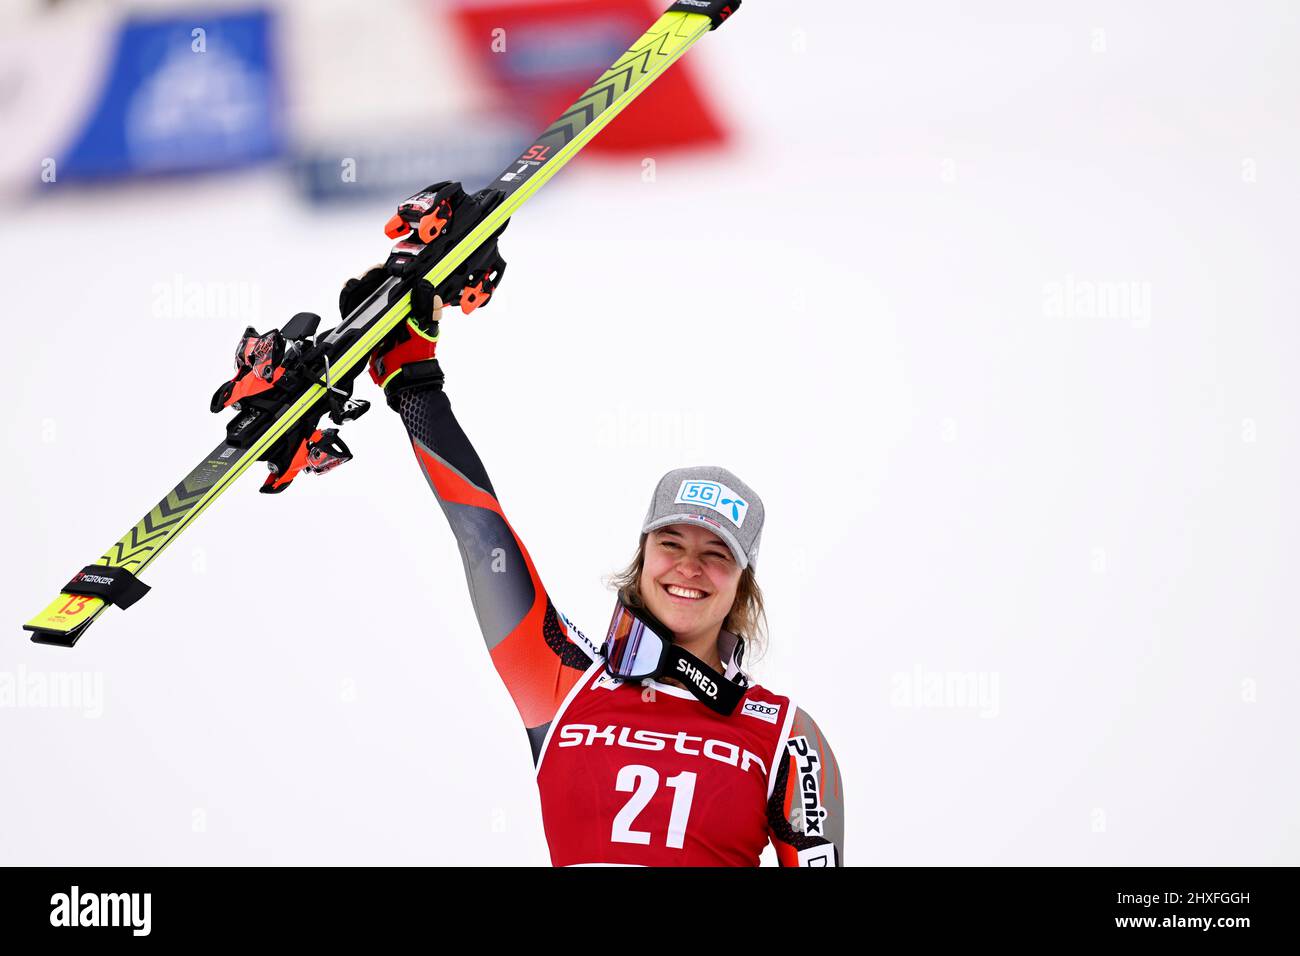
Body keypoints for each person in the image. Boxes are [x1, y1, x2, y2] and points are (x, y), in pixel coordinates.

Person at [348, 269, 844, 866]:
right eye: (671, 545)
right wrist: (415, 385)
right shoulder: (565, 679)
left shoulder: (788, 735)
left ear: (743, 584)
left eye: (716, 555)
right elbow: (483, 539)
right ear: (642, 558)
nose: (688, 568)